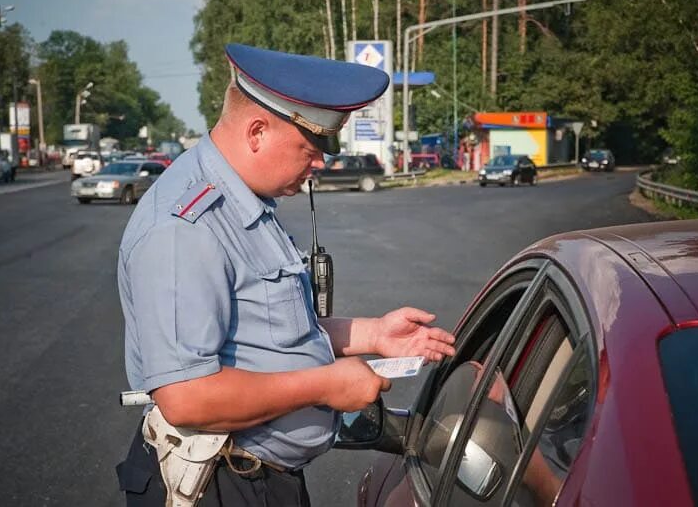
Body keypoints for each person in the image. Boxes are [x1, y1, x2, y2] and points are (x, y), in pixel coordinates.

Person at [115, 43, 456, 507]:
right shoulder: (185, 229)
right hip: (219, 485)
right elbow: (186, 396)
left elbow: (269, 334)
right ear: (257, 131)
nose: (321, 163)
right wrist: (326, 384)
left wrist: (374, 335)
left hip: (255, 479)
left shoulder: (244, 202)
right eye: (312, 146)